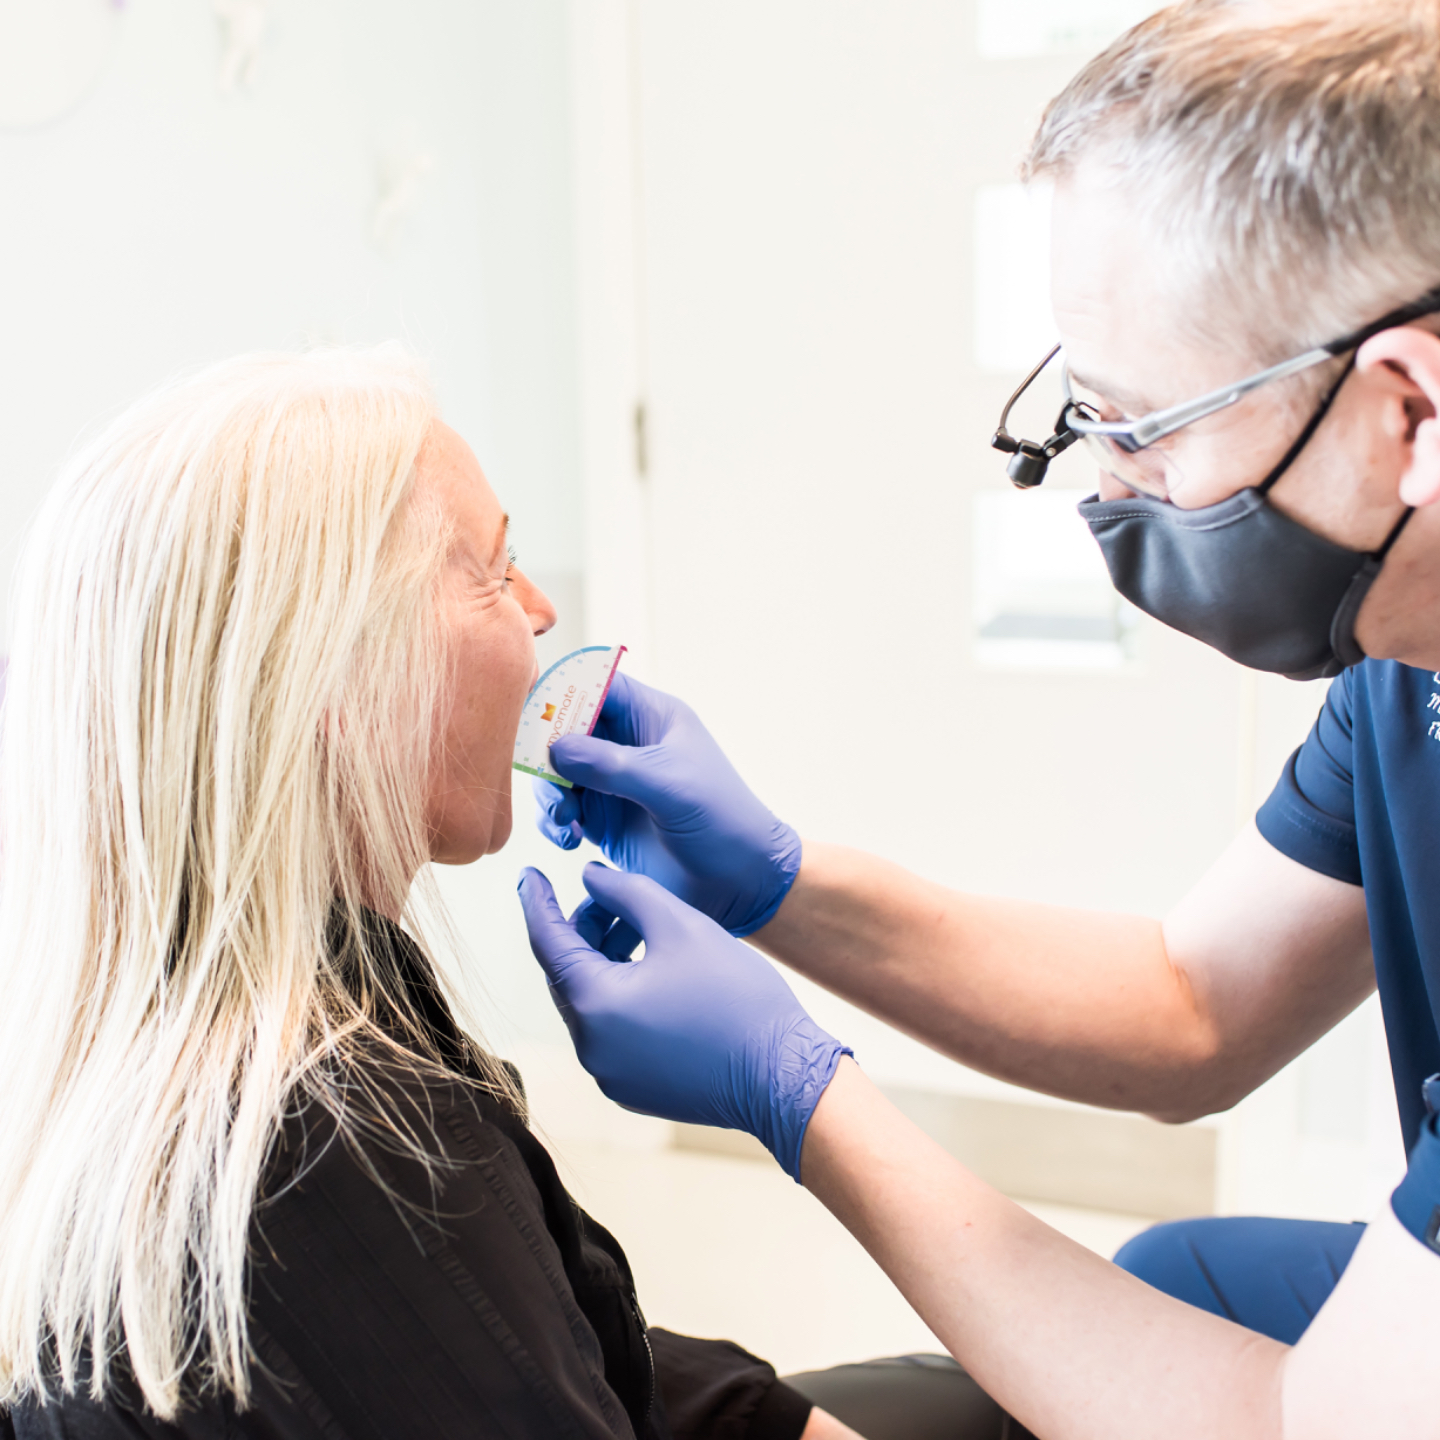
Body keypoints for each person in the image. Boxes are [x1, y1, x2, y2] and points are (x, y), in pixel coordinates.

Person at [517, 2, 1440, 1435]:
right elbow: (1196, 1006)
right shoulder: (1406, 663)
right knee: (1173, 1281)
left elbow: (1284, 1428)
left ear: (1408, 414)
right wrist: (777, 885)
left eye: (1140, 424)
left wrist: (800, 1097)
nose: (1106, 487)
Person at [0, 347, 861, 1440]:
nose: (541, 611)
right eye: (497, 574)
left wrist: (771, 1420)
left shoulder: (203, 1036)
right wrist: (794, 1087)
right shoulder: (341, 1149)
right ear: (336, 676)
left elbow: (541, 1335)